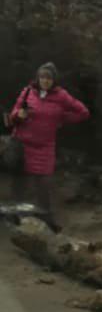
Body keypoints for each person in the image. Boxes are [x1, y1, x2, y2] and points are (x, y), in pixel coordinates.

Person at [8, 63, 90, 228]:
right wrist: (19, 115)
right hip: (22, 143)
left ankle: (45, 217)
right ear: (38, 78)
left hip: (44, 146)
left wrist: (61, 118)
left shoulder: (61, 96)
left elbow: (83, 112)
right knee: (19, 183)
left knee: (43, 184)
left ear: (54, 80)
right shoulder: (27, 92)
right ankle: (14, 215)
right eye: (42, 77)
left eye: (49, 78)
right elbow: (12, 116)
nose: (45, 80)